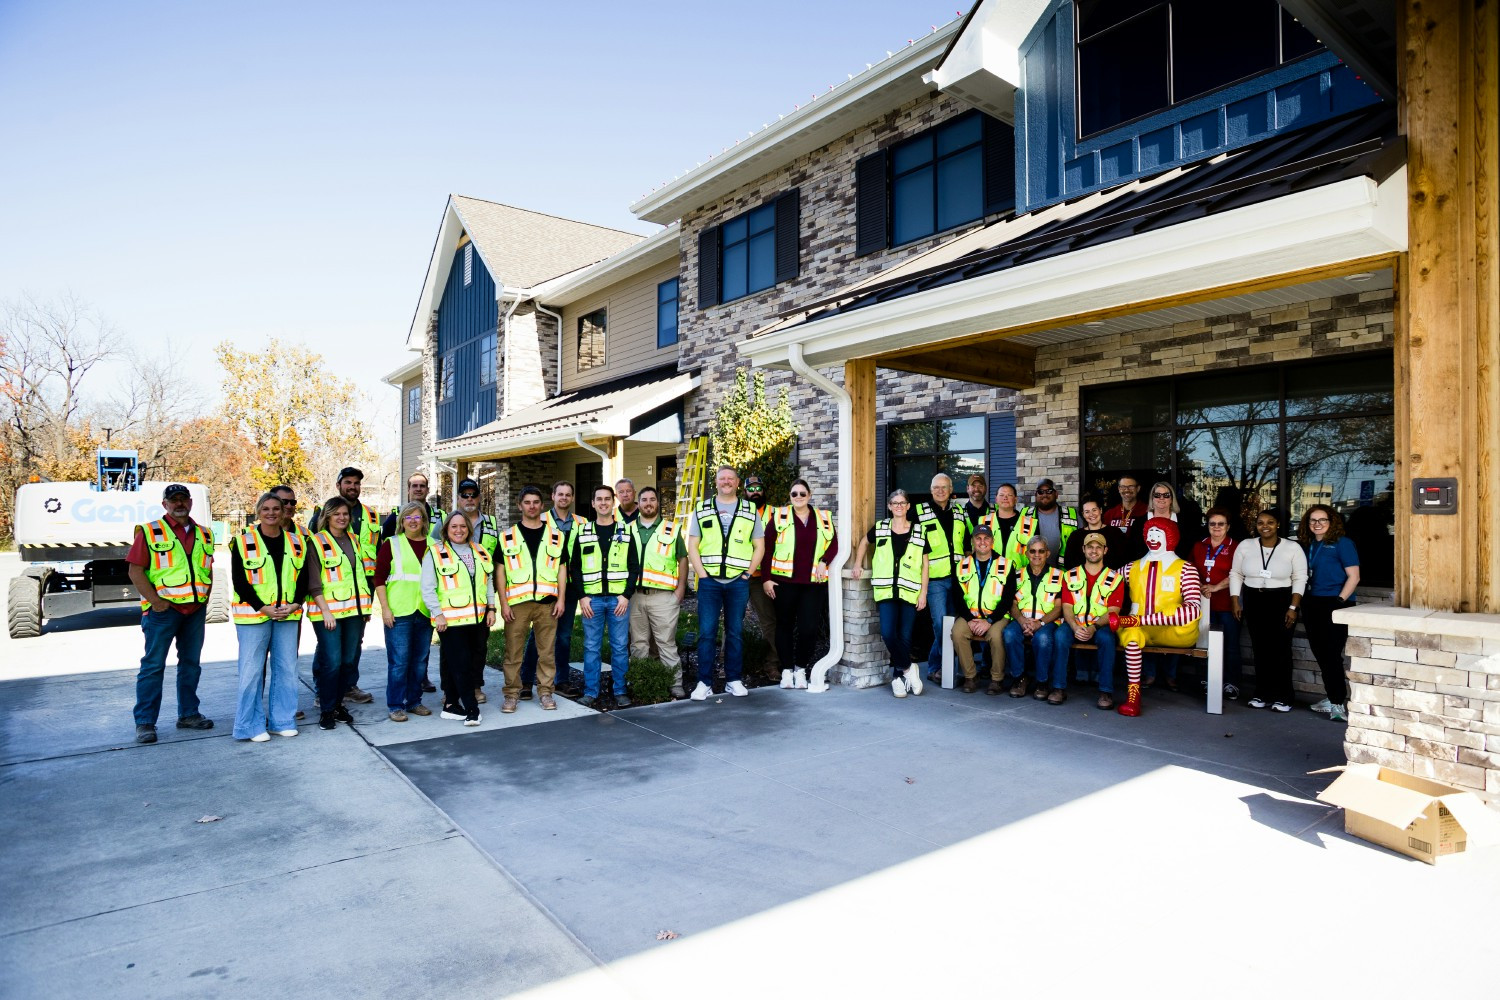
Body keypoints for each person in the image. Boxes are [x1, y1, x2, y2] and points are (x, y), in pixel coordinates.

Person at [127, 484, 216, 744]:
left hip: (194, 610)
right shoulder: (151, 531)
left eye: (183, 500)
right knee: (153, 666)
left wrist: (205, 599)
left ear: (190, 502)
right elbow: (135, 570)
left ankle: (188, 714)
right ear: (164, 504)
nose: (179, 504)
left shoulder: (204, 534)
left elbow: (207, 569)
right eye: (173, 500)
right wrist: (155, 601)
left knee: (191, 665)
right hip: (163, 612)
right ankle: (145, 722)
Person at [230, 492, 310, 741]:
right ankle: (250, 726)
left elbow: (304, 578)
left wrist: (296, 604)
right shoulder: (242, 542)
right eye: (266, 509)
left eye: (277, 508)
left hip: (288, 614)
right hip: (254, 616)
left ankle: (282, 720)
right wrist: (262, 607)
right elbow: (240, 582)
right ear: (258, 512)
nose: (272, 513)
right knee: (251, 671)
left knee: (286, 668)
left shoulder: (298, 542)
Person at [686, 466, 765, 701]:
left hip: (737, 582)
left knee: (735, 633)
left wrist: (748, 574)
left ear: (737, 483)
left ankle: (733, 680)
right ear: (716, 482)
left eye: (730, 478)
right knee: (707, 633)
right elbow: (693, 545)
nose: (726, 482)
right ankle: (704, 683)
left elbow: (759, 546)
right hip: (709, 582)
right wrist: (702, 575)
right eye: (722, 478)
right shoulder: (702, 508)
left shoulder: (750, 509)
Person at [1111, 517, 1203, 717]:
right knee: (1131, 638)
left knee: (1178, 614)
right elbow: (1105, 582)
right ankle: (1133, 696)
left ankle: (1137, 625)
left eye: (1158, 534)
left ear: (1170, 537)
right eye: (1149, 534)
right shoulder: (1131, 567)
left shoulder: (1186, 569)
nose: (1152, 538)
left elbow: (1194, 609)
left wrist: (1140, 619)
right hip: (1140, 631)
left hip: (1174, 633)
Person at [307, 467, 381, 704]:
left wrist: (367, 603)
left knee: (353, 646)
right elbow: (313, 564)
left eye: (357, 483)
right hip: (329, 600)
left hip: (360, 595)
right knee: (330, 651)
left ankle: (348, 686)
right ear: (339, 485)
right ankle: (324, 690)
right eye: (348, 482)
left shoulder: (371, 517)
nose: (353, 486)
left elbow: (375, 553)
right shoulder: (319, 530)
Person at [498, 486, 569, 713]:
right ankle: (511, 695)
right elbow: (499, 572)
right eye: (527, 502)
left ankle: (546, 692)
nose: (532, 506)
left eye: (536, 502)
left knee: (547, 652)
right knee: (513, 652)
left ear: (542, 505)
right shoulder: (507, 537)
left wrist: (561, 599)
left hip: (548, 603)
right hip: (517, 604)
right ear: (520, 505)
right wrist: (503, 603)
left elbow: (562, 569)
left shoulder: (557, 536)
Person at [422, 510, 497, 726]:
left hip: (479, 618)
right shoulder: (435, 552)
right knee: (461, 664)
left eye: (463, 526)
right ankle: (472, 709)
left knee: (472, 662)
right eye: (454, 526)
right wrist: (438, 614)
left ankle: (451, 705)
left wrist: (492, 608)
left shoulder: (481, 551)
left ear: (469, 529)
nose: (459, 530)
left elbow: (488, 581)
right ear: (446, 529)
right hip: (451, 620)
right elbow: (427, 588)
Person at [852, 489, 929, 699]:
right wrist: (857, 564)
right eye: (895, 503)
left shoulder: (919, 531)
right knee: (887, 633)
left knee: (905, 636)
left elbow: (925, 564)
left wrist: (924, 592)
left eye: (902, 503)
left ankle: (897, 678)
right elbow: (864, 543)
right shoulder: (880, 527)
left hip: (910, 591)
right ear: (889, 506)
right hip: (886, 591)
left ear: (908, 506)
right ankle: (907, 668)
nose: (899, 506)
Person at [762, 478, 838, 690]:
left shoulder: (823, 518)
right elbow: (766, 549)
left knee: (808, 628)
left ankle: (800, 669)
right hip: (783, 582)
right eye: (794, 494)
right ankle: (786, 670)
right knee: (784, 625)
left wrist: (825, 561)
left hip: (813, 584)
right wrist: (766, 578)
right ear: (790, 496)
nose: (798, 497)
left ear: (809, 495)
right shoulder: (779, 517)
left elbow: (834, 544)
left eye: (802, 494)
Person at [305, 496, 373, 731]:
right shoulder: (317, 541)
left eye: (345, 514)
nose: (342, 518)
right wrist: (326, 612)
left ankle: (338, 705)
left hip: (354, 612)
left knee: (347, 662)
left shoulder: (354, 540)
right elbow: (313, 583)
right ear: (327, 516)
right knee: (331, 662)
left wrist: (365, 608)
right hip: (328, 614)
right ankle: (326, 710)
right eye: (337, 514)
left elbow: (359, 576)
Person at [1230, 509, 1307, 713]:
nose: (1265, 526)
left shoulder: (1292, 547)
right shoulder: (1246, 545)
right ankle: (1262, 694)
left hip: (1281, 600)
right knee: (1260, 648)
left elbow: (1300, 577)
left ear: (1278, 525)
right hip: (1254, 600)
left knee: (1281, 650)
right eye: (1260, 522)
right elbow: (1236, 573)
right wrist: (1236, 601)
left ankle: (1284, 696)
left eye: (1270, 522)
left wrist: (1293, 607)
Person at [575, 485, 640, 708]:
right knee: (591, 647)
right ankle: (591, 691)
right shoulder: (582, 532)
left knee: (620, 646)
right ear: (592, 503)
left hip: (617, 600)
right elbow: (575, 567)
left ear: (613, 502)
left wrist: (626, 595)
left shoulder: (626, 531)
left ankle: (620, 690)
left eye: (607, 499)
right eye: (599, 499)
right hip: (591, 600)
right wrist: (582, 596)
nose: (603, 503)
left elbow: (634, 566)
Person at [437, 478, 498, 705]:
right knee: (450, 651)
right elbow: (435, 556)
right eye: (465, 495)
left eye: (473, 494)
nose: (469, 498)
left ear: (479, 497)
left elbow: (493, 565)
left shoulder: (491, 523)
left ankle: (474, 686)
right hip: (452, 602)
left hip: (480, 601)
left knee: (478, 648)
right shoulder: (447, 521)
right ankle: (449, 690)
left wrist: (492, 605)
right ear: (459, 498)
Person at [1298, 504, 1360, 722]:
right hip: (1312, 602)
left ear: (1331, 521)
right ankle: (1332, 697)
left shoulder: (1342, 543)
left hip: (1335, 603)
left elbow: (1354, 576)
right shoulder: (1307, 545)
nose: (1317, 524)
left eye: (1322, 520)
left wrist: (1340, 600)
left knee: (1332, 654)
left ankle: (1337, 703)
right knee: (1321, 653)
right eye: (1313, 520)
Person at [375, 501, 434, 722]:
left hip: (424, 611)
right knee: (399, 661)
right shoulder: (392, 544)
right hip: (399, 611)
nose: (412, 521)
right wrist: (385, 609)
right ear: (401, 521)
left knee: (420, 661)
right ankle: (396, 705)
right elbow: (379, 578)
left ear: (424, 521)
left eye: (417, 517)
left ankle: (414, 701)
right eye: (408, 517)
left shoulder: (434, 545)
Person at [628, 486, 688, 698]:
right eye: (644, 500)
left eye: (652, 499)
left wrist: (680, 589)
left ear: (657, 503)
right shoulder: (627, 529)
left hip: (663, 596)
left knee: (666, 643)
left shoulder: (671, 530)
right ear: (638, 503)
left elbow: (683, 559)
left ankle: (675, 683)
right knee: (638, 644)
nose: (648, 503)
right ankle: (641, 681)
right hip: (635, 596)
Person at [522, 481, 580, 698]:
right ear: (553, 496)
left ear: (572, 498)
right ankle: (526, 680)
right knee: (537, 635)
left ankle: (561, 680)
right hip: (545, 585)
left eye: (568, 494)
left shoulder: (581, 523)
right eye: (560, 494)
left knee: (564, 636)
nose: (564, 498)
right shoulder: (540, 519)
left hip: (571, 586)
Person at [912, 473, 970, 683]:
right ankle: (937, 668)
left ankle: (941, 668)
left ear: (951, 489)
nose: (940, 491)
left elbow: (967, 541)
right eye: (936, 487)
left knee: (954, 625)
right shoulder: (919, 512)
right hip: (935, 579)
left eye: (944, 487)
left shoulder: (959, 511)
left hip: (958, 579)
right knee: (939, 624)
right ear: (931, 490)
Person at [1061, 532, 1126, 709]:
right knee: (1060, 636)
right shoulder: (1070, 575)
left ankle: (1105, 691)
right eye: (1090, 547)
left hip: (1100, 625)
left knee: (1107, 639)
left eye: (1098, 547)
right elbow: (1066, 606)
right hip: (1075, 623)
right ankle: (1058, 687)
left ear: (1105, 550)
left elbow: (1113, 611)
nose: (1094, 550)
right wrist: (1074, 626)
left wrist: (1094, 627)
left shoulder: (1115, 578)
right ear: (1084, 549)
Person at [949, 524, 1016, 694]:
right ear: (973, 541)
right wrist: (970, 619)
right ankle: (970, 676)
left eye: (986, 538)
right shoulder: (962, 565)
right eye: (978, 538)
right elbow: (957, 597)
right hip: (970, 615)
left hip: (997, 616)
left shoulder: (1006, 564)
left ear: (992, 541)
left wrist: (990, 621)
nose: (982, 542)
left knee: (995, 636)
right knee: (957, 633)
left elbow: (1008, 599)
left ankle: (996, 679)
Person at [1003, 537, 1069, 701]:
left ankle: (1042, 682)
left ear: (1048, 553)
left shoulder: (1059, 575)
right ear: (1026, 554)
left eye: (1041, 551)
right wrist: (1022, 621)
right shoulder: (1017, 574)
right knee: (1009, 634)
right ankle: (1019, 678)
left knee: (1043, 639)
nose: (1036, 555)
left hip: (1047, 622)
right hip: (1022, 620)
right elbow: (1011, 603)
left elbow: (1059, 608)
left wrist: (1040, 623)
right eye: (1032, 551)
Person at [1191, 507, 1243, 701]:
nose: (1216, 527)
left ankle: (1231, 683)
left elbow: (1239, 573)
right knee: (1203, 643)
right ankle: (1206, 681)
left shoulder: (1237, 546)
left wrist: (1215, 587)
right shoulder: (1199, 545)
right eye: (1212, 523)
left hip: (1228, 604)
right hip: (1204, 604)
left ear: (1228, 526)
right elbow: (1190, 570)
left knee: (1230, 645)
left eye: (1221, 524)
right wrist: (1201, 587)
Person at [743, 473, 780, 680]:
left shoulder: (775, 513)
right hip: (739, 575)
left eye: (759, 488)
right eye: (751, 489)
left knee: (769, 621)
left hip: (762, 577)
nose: (755, 492)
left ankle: (772, 663)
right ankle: (726, 663)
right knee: (732, 621)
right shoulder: (739, 511)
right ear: (745, 492)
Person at [1020, 478, 1080, 568]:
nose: (1044, 494)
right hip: (1033, 574)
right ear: (1036, 495)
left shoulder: (1072, 515)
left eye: (1049, 491)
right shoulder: (1024, 514)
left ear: (1056, 494)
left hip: (1064, 573)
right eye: (1040, 492)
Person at [1062, 498, 1129, 570]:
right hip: (1082, 579)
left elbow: (1124, 559)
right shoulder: (1075, 536)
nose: (1091, 514)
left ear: (1101, 510)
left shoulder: (1115, 533)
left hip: (1110, 578)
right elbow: (1069, 563)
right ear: (1083, 514)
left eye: (1094, 510)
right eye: (1087, 512)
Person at [382, 472, 445, 538]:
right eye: (414, 486)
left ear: (427, 490)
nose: (418, 489)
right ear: (408, 490)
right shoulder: (396, 517)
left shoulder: (441, 518)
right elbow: (385, 544)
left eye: (422, 486)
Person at [981, 483, 1028, 568]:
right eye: (1001, 495)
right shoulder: (983, 521)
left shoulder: (1029, 523)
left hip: (1019, 575)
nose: (1005, 498)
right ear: (996, 499)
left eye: (1009, 495)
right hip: (991, 575)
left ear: (1015, 499)